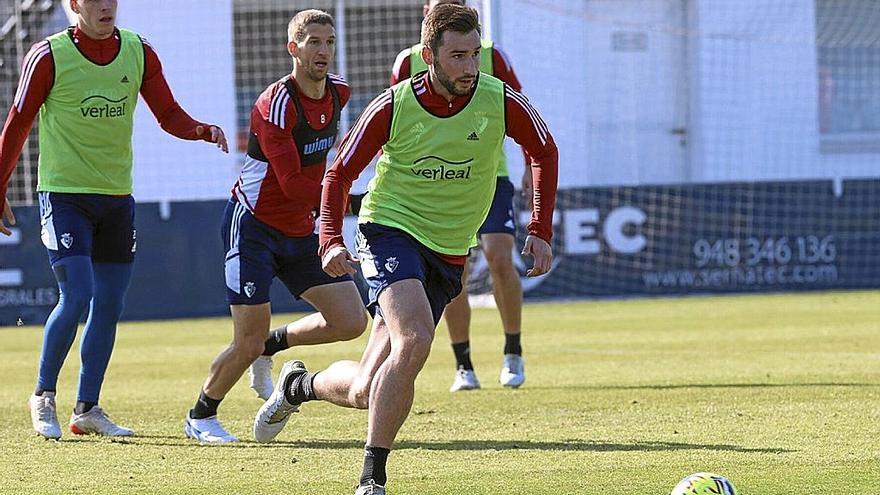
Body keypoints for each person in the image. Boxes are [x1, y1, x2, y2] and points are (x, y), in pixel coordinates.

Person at [253, 5, 558, 493]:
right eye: (457, 56)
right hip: (389, 229)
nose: (469, 67)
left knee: (362, 390)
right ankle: (373, 477)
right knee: (414, 337)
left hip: (449, 248)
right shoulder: (394, 104)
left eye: (474, 55)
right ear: (430, 56)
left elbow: (544, 151)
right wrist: (330, 239)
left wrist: (539, 226)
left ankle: (299, 386)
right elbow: (339, 172)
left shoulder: (500, 99)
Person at [0, 0, 228, 440]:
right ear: (74, 5)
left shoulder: (139, 51)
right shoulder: (48, 55)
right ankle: (43, 395)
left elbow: (168, 115)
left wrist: (201, 129)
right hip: (65, 197)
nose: (106, 6)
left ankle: (87, 407)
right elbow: (18, 121)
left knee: (109, 304)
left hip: (117, 200)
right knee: (78, 294)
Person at [183, 9, 367, 444]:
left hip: (300, 228)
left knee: (351, 320)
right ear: (293, 48)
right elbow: (292, 185)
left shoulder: (339, 92)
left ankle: (273, 346)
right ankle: (200, 415)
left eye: (329, 42)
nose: (323, 51)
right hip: (253, 227)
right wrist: (355, 202)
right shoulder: (276, 104)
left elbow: (329, 171)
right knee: (243, 342)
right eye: (314, 43)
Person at [353, 0, 533, 392]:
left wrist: (528, 172)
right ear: (426, 11)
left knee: (501, 258)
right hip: (430, 190)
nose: (468, 64)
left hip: (488, 178)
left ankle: (512, 351)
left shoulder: (491, 55)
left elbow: (523, 115)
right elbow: (390, 126)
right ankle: (463, 363)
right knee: (458, 273)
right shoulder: (407, 63)